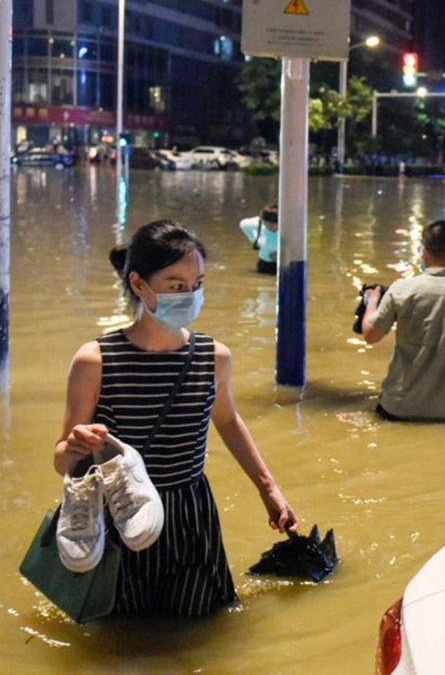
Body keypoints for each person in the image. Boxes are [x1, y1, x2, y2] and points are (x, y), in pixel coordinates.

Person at [53, 219, 298, 616]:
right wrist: (76, 446)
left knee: (196, 627)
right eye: (176, 285)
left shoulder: (213, 357)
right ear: (139, 284)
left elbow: (229, 422)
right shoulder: (95, 360)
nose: (190, 295)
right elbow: (62, 460)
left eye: (197, 284)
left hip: (190, 516)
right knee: (122, 634)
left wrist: (269, 489)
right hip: (121, 517)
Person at [361, 219, 445, 421]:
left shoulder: (402, 290)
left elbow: (370, 335)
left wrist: (372, 300)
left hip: (397, 407)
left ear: (423, 251)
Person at [239, 203, 278, 274]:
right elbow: (243, 224)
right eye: (267, 222)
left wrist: (282, 255)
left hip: (282, 265)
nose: (270, 226)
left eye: (274, 223)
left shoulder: (286, 229)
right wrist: (255, 240)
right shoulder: (259, 224)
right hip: (264, 264)